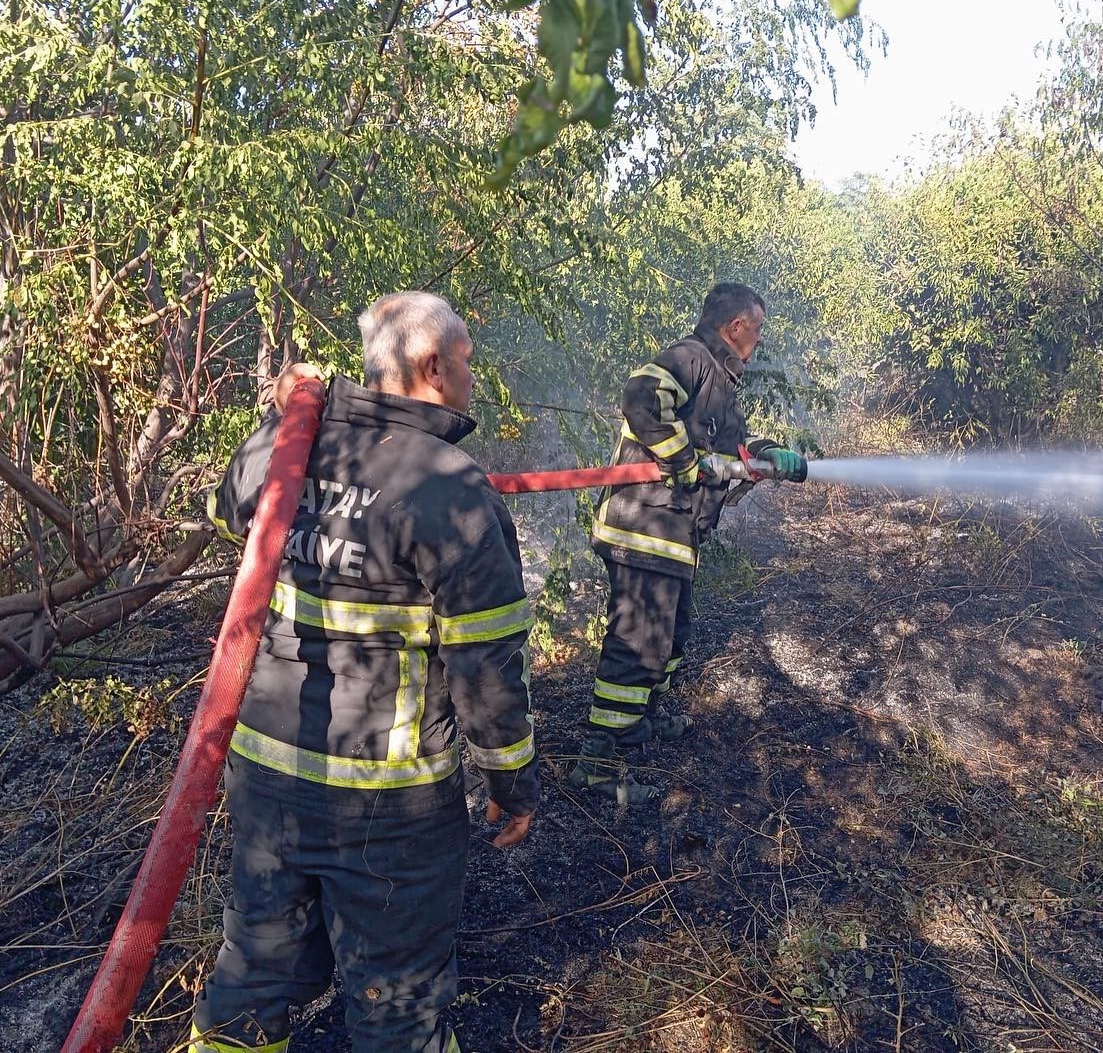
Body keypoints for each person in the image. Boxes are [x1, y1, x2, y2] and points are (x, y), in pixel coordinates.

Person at [192, 291, 538, 1053]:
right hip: (387, 806)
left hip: (264, 783)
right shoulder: (454, 490)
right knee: (396, 1002)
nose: (474, 378)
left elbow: (231, 508)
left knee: (253, 973)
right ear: (430, 365)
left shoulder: (299, 444)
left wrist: (282, 420)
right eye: (468, 362)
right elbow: (488, 672)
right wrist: (512, 783)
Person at [571, 282, 806, 802]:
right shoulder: (691, 358)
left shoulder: (719, 383)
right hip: (644, 527)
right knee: (638, 644)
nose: (760, 341)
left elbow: (731, 447)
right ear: (735, 327)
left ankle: (638, 724)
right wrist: (681, 462)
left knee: (670, 640)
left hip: (672, 536)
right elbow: (640, 396)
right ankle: (596, 762)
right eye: (758, 329)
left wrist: (771, 454)